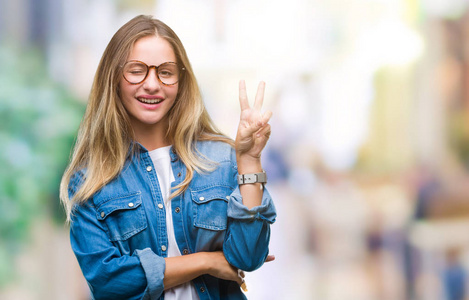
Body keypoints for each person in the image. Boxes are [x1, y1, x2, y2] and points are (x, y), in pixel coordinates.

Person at [59, 15, 276, 300]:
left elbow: (247, 257)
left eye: (166, 72)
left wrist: (248, 160)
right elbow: (109, 282)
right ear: (113, 78)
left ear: (181, 80)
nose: (152, 84)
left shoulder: (222, 159)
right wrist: (207, 261)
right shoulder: (90, 181)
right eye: (136, 71)